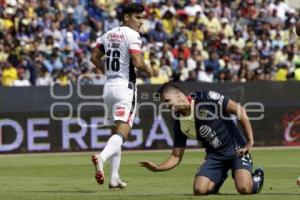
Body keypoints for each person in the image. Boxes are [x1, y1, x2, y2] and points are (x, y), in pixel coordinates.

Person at [140, 82, 264, 195]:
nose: (166, 106)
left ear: (178, 95)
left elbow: (239, 110)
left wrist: (249, 141)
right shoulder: (178, 123)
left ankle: (258, 177)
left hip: (237, 148)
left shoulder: (206, 97)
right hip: (215, 155)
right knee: (199, 190)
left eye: (167, 101)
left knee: (244, 188)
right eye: (164, 104)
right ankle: (219, 177)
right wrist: (157, 168)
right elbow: (176, 156)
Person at [90, 2, 153, 190]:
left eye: (142, 18)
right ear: (126, 17)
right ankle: (101, 157)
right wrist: (149, 70)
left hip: (108, 88)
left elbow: (94, 58)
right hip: (125, 88)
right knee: (123, 133)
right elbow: (138, 62)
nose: (141, 22)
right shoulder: (132, 35)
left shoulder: (107, 35)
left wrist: (108, 72)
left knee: (115, 133)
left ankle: (114, 177)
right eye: (138, 17)